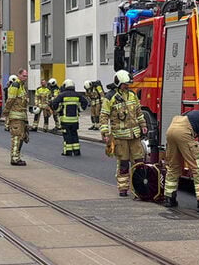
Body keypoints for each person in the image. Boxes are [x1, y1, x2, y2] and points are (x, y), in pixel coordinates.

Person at [99, 69, 147, 197]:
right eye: (125, 84)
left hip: (134, 135)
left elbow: (138, 112)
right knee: (124, 163)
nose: (128, 86)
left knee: (139, 161)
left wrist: (143, 125)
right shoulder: (110, 97)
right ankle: (123, 188)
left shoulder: (132, 95)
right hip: (120, 137)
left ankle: (139, 187)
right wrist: (105, 133)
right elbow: (104, 116)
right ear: (119, 83)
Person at [50, 79, 88, 156]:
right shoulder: (78, 95)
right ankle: (77, 151)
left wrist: (58, 110)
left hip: (65, 120)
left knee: (67, 136)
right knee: (74, 134)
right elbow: (85, 102)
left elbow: (54, 103)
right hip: (75, 120)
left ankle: (68, 151)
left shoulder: (62, 95)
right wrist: (79, 110)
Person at [1, 68, 30, 166]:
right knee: (17, 137)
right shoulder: (15, 85)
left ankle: (17, 156)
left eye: (26, 76)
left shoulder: (22, 86)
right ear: (19, 75)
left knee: (22, 137)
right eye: (24, 76)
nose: (25, 78)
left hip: (21, 116)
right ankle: (14, 158)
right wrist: (6, 112)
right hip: (15, 116)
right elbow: (11, 100)